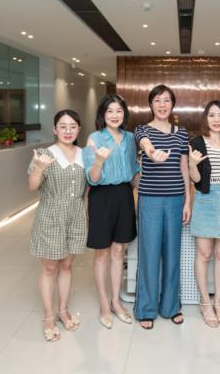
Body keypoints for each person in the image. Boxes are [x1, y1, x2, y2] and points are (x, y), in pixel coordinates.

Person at [134, 84, 191, 330]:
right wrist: (152, 152)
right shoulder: (142, 130)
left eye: (166, 100)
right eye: (157, 100)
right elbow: (145, 144)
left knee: (172, 254)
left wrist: (188, 201)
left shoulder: (182, 133)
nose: (162, 105)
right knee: (149, 254)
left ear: (172, 104)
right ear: (151, 104)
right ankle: (146, 308)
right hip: (150, 199)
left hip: (176, 199)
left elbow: (184, 168)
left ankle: (171, 306)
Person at [27, 109, 87, 342]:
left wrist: (86, 214)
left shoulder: (84, 154)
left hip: (76, 215)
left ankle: (63, 309)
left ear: (79, 129)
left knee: (67, 265)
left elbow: (87, 189)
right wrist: (39, 168)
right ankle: (48, 317)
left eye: (73, 126)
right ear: (54, 129)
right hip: (51, 214)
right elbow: (32, 186)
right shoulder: (44, 154)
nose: (68, 130)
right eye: (63, 126)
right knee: (50, 267)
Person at [83, 94, 140, 329]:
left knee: (119, 251)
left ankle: (116, 301)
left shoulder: (130, 138)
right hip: (101, 196)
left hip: (124, 195)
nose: (115, 115)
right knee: (102, 253)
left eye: (119, 111)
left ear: (124, 114)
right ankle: (104, 304)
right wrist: (98, 161)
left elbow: (134, 172)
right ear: (102, 115)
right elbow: (92, 179)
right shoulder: (95, 138)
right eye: (110, 111)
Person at [188, 100, 220, 328]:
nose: (216, 119)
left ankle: (218, 302)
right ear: (206, 119)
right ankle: (205, 302)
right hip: (205, 200)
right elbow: (196, 180)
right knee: (204, 254)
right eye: (212, 115)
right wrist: (192, 164)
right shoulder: (197, 143)